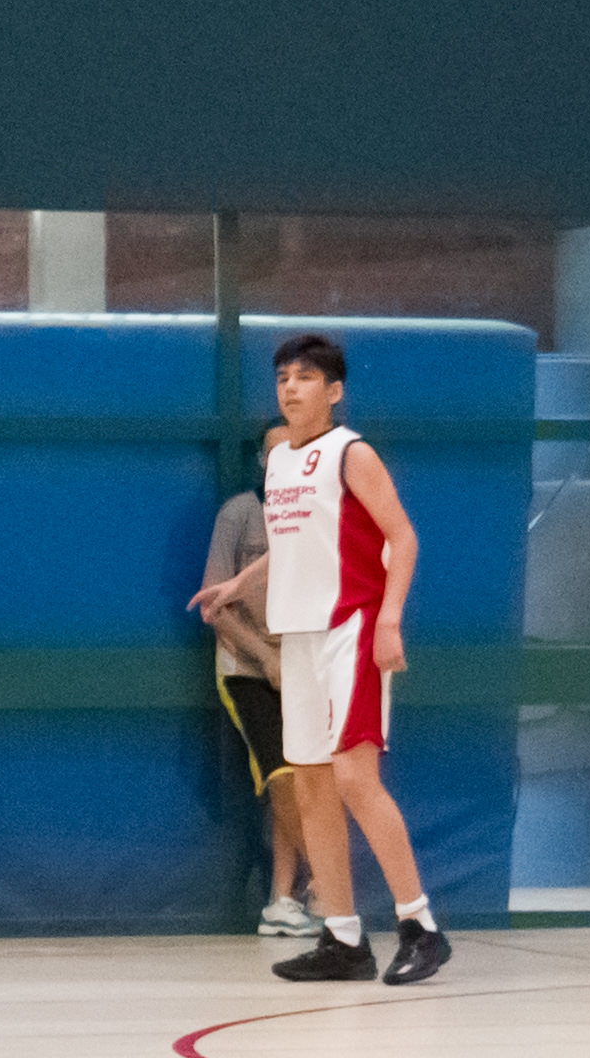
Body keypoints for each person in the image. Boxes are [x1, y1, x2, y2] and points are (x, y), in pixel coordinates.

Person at [191, 334, 446, 985]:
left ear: (334, 391)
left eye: (304, 377)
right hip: (297, 634)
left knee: (356, 778)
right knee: (310, 785)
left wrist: (389, 619)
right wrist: (238, 583)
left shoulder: (351, 453)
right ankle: (344, 937)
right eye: (283, 377)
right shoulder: (280, 462)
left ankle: (420, 926)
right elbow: (294, 544)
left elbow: (404, 537)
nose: (290, 387)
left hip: (350, 630)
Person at [203, 489, 313, 938]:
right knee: (281, 776)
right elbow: (214, 604)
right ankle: (328, 881)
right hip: (245, 670)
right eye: (272, 455)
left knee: (301, 778)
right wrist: (265, 658)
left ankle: (282, 901)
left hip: (301, 666)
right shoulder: (239, 514)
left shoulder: (312, 512)